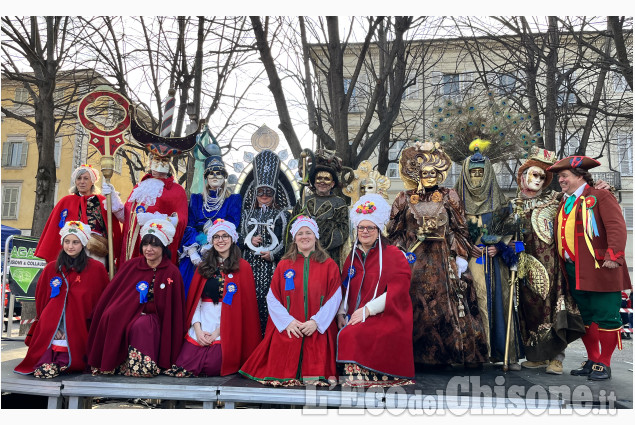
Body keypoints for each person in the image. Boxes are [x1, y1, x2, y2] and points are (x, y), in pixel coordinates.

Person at [387, 141, 488, 369]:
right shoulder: (404, 198)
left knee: (449, 305)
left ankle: (454, 355)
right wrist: (402, 252)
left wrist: (460, 257)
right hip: (414, 262)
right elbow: (394, 231)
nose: (430, 176)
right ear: (417, 174)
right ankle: (415, 358)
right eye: (425, 173)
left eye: (434, 172)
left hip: (443, 259)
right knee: (416, 305)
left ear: (439, 173)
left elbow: (460, 228)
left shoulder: (449, 195)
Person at [547, 155, 632, 381]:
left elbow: (616, 226)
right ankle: (593, 359)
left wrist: (614, 255)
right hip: (573, 270)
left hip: (602, 267)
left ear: (580, 176)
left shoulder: (600, 196)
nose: (561, 180)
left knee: (606, 317)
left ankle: (604, 363)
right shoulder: (564, 202)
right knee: (586, 318)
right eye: (559, 177)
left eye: (564, 176)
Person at [508, 147, 586, 375]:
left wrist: (601, 188)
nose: (538, 180)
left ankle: (557, 358)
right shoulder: (513, 205)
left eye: (543, 176)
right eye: (534, 174)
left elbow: (582, 200)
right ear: (523, 176)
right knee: (529, 312)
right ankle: (537, 357)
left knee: (554, 311)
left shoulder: (556, 200)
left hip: (553, 267)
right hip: (524, 267)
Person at [239, 216, 341, 386]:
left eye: (308, 232)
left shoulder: (329, 265)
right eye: (300, 233)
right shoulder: (285, 264)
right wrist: (287, 322)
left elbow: (335, 297)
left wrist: (316, 322)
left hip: (317, 329)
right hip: (289, 327)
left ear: (315, 236)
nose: (304, 236)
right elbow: (272, 297)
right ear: (294, 238)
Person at [87, 213, 185, 377]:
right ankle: (111, 364)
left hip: (154, 316)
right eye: (146, 244)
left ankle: (141, 367)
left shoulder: (172, 272)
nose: (149, 249)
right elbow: (116, 294)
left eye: (155, 245)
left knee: (141, 325)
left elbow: (172, 309)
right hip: (128, 311)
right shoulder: (132, 266)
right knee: (110, 315)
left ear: (163, 247)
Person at [455, 140, 523, 369]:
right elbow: (448, 231)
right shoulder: (454, 204)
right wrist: (463, 247)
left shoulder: (503, 205)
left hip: (495, 265)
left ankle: (504, 353)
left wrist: (500, 247)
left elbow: (517, 241)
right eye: (472, 173)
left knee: (498, 303)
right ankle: (472, 353)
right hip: (465, 264)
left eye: (480, 173)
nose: (476, 177)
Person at [165, 219, 261, 377]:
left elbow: (244, 308)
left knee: (214, 365)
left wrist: (217, 332)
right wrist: (198, 329)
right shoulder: (204, 266)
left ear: (232, 239)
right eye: (216, 237)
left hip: (228, 326)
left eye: (225, 236)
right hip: (203, 321)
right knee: (185, 363)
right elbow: (195, 301)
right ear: (211, 240)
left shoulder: (243, 267)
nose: (221, 240)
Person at [336, 194, 415, 387]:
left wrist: (368, 310)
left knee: (351, 334)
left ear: (378, 230)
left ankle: (364, 378)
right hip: (354, 314)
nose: (365, 231)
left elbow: (398, 291)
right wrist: (340, 313)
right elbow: (344, 287)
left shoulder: (394, 254)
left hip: (385, 314)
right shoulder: (352, 256)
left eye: (370, 227)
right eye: (361, 227)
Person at [14, 222, 109, 378]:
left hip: (81, 327)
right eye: (67, 241)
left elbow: (100, 303)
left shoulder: (96, 269)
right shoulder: (51, 268)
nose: (70, 246)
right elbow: (42, 301)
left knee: (74, 361)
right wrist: (54, 327)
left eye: (75, 242)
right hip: (52, 327)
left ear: (83, 243)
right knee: (44, 362)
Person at [178, 143, 242, 297]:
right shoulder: (196, 199)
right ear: (205, 177)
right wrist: (192, 251)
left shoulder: (232, 199)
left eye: (219, 173)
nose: (215, 176)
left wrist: (212, 239)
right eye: (211, 173)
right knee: (186, 282)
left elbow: (233, 224)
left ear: (224, 177)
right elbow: (189, 225)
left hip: (221, 246)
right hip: (195, 247)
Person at [240, 149, 291, 336]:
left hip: (272, 267)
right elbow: (236, 237)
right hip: (249, 266)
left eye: (268, 192)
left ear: (274, 194)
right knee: (249, 301)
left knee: (270, 301)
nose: (264, 195)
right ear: (255, 193)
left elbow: (287, 240)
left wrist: (274, 254)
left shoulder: (282, 214)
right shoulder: (246, 214)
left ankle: (269, 339)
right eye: (260, 191)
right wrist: (248, 240)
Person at [107, 152, 188, 266]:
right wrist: (113, 198)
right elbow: (127, 218)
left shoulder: (176, 190)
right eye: (156, 159)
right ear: (150, 162)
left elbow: (181, 221)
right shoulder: (139, 186)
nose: (159, 163)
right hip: (130, 247)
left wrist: (154, 218)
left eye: (164, 160)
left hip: (152, 247)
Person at [35, 164, 122, 267]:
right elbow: (54, 228)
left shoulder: (102, 201)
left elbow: (113, 225)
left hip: (96, 248)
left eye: (86, 178)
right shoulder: (65, 201)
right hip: (73, 249)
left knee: (95, 274)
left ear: (92, 181)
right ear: (75, 181)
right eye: (79, 178)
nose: (82, 182)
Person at [292, 150, 349, 266]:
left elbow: (343, 230)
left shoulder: (339, 203)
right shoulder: (303, 201)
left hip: (328, 256)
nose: (322, 182)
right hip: (303, 254)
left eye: (326, 179)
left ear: (332, 184)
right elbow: (292, 225)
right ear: (314, 182)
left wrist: (319, 245)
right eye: (319, 178)